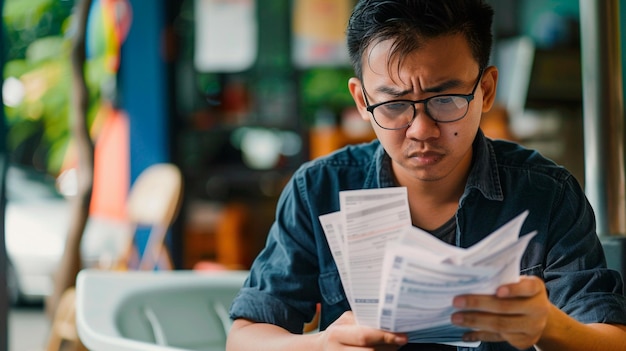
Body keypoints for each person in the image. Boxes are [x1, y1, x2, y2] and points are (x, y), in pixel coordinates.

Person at [226, 1, 626, 350]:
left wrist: (548, 326)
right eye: (395, 104)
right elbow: (244, 338)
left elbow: (612, 338)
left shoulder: (546, 194)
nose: (421, 130)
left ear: (486, 90)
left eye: (446, 99)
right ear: (362, 101)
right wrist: (322, 345)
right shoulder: (318, 190)